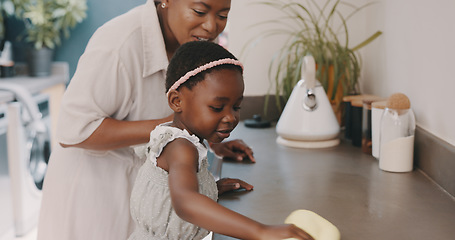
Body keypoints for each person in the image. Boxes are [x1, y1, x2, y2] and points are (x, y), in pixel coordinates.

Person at [37, 1, 256, 239]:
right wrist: (179, 130)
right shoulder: (118, 44)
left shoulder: (197, 42)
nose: (211, 26)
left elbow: (191, 106)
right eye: (199, 11)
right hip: (93, 198)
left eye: (223, 15)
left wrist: (208, 138)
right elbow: (74, 130)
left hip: (147, 201)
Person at [129, 40, 313, 240]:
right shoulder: (180, 146)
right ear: (177, 101)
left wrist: (209, 190)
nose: (231, 117)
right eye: (217, 108)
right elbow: (185, 203)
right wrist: (261, 231)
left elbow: (173, 194)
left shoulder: (186, 138)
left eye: (236, 107)